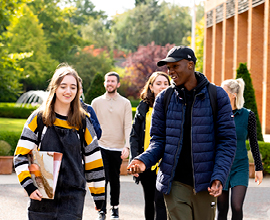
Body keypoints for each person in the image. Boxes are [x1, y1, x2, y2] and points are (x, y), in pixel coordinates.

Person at [127, 46, 237, 220]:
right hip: (174, 183)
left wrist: (219, 176)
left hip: (205, 184)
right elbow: (159, 141)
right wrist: (144, 160)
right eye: (168, 68)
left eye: (175, 66)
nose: (170, 71)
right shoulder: (164, 99)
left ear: (190, 65)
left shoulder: (217, 96)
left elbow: (227, 141)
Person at [14, 64, 105, 220]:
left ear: (78, 91)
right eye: (63, 86)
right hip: (42, 194)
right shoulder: (38, 118)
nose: (68, 91)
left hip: (73, 196)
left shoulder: (83, 122)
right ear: (54, 87)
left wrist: (99, 196)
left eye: (73, 87)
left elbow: (93, 160)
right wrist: (29, 186)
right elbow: (20, 155)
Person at [218, 78, 263, 220]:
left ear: (233, 94)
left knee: (237, 206)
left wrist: (258, 168)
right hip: (221, 167)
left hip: (240, 166)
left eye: (223, 92)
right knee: (222, 209)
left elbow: (254, 143)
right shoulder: (216, 114)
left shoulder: (248, 115)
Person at [91, 71, 132, 220]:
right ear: (104, 83)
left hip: (117, 148)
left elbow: (128, 126)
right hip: (100, 146)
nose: (110, 83)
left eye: (113, 81)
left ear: (118, 84)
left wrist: (127, 146)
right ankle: (101, 210)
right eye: (107, 81)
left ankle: (115, 208)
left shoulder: (125, 103)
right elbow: (91, 126)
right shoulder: (96, 102)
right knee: (102, 179)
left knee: (114, 179)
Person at [130, 72, 170, 220]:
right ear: (151, 87)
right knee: (149, 200)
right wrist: (135, 160)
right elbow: (134, 136)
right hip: (146, 162)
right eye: (158, 83)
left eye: (165, 83)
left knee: (160, 200)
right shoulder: (143, 107)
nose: (162, 86)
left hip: (165, 163)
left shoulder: (174, 105)